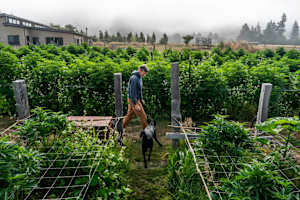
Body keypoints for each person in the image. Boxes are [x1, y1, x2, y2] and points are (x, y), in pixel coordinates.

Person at [123, 64, 148, 129]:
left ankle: (120, 128)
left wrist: (141, 98)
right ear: (140, 70)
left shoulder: (139, 78)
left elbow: (139, 90)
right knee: (143, 117)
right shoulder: (134, 78)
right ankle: (146, 134)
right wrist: (135, 104)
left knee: (129, 116)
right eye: (144, 73)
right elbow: (132, 92)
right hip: (133, 99)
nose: (144, 75)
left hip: (136, 99)